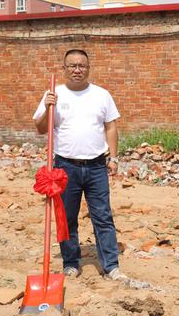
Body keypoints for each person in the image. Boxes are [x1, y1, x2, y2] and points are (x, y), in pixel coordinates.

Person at [33, 49, 128, 283]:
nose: (77, 69)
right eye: (72, 66)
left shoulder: (101, 95)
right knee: (67, 217)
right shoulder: (54, 94)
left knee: (103, 217)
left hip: (96, 166)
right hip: (65, 167)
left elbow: (111, 127)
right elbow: (41, 128)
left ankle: (111, 266)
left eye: (82, 66)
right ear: (64, 68)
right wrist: (47, 107)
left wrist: (113, 158)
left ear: (88, 68)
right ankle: (71, 263)